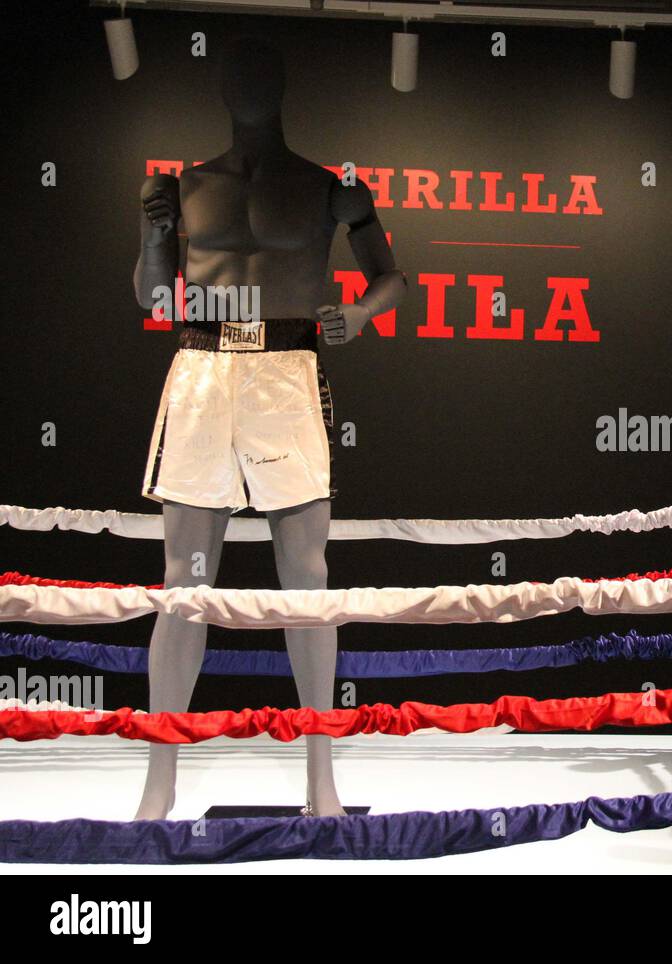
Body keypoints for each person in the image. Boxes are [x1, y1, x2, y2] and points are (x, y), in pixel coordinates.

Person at [131, 38, 406, 820]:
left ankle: (323, 784)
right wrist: (154, 234)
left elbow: (392, 276)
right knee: (182, 586)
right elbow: (154, 298)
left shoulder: (329, 188)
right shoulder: (183, 186)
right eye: (237, 71)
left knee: (307, 583)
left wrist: (354, 314)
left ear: (282, 84)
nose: (249, 83)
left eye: (262, 71)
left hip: (287, 370)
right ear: (221, 86)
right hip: (203, 369)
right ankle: (159, 787)